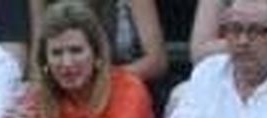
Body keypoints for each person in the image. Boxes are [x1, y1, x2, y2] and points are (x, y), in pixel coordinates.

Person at [0, 0, 154, 118]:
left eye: (76, 51)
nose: (66, 63)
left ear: (97, 54)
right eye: (56, 53)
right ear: (44, 60)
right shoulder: (38, 94)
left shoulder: (128, 88)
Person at [33, 0, 169, 85]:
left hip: (122, 86)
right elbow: (38, 54)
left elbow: (157, 62)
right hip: (62, 87)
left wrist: (95, 78)